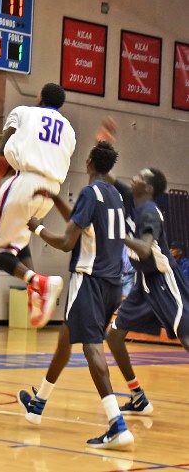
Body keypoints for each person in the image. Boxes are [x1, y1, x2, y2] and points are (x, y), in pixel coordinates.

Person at [17, 141, 134, 450]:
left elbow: (69, 241)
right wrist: (56, 197)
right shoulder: (115, 197)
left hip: (90, 281)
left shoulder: (89, 193)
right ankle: (38, 404)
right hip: (112, 284)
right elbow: (83, 225)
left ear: (90, 161)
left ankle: (116, 424)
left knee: (91, 347)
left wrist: (37, 229)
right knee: (65, 342)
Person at [0, 83, 76, 328]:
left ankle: (38, 282)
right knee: (18, 242)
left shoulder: (23, 112)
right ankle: (36, 293)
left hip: (24, 181)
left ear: (40, 96)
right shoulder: (70, 131)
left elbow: (1, 148)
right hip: (51, 191)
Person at [106, 168, 189, 415]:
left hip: (163, 280)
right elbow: (109, 178)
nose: (135, 177)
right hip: (144, 283)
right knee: (114, 336)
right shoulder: (133, 198)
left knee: (186, 337)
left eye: (141, 176)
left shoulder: (150, 211)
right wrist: (102, 148)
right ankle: (138, 397)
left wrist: (117, 234)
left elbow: (143, 248)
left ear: (149, 188)